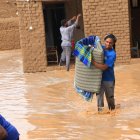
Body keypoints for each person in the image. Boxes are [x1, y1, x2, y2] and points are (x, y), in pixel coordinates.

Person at [92, 34, 117, 112]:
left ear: (113, 44)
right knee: (99, 97)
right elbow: (91, 48)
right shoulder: (101, 49)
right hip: (99, 78)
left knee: (110, 98)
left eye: (110, 43)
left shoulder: (112, 54)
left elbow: (104, 67)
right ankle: (100, 114)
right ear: (104, 41)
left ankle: (112, 112)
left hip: (109, 79)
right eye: (107, 42)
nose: (108, 44)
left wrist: (92, 62)